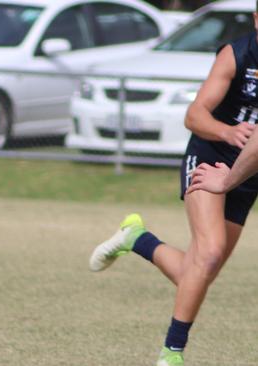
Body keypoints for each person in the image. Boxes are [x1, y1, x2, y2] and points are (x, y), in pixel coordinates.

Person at [88, 14, 258, 366]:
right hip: (211, 156)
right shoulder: (236, 54)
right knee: (208, 255)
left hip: (246, 170)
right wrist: (227, 133)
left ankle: (137, 238)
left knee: (196, 273)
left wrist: (234, 177)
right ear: (257, 20)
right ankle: (171, 354)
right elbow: (194, 115)